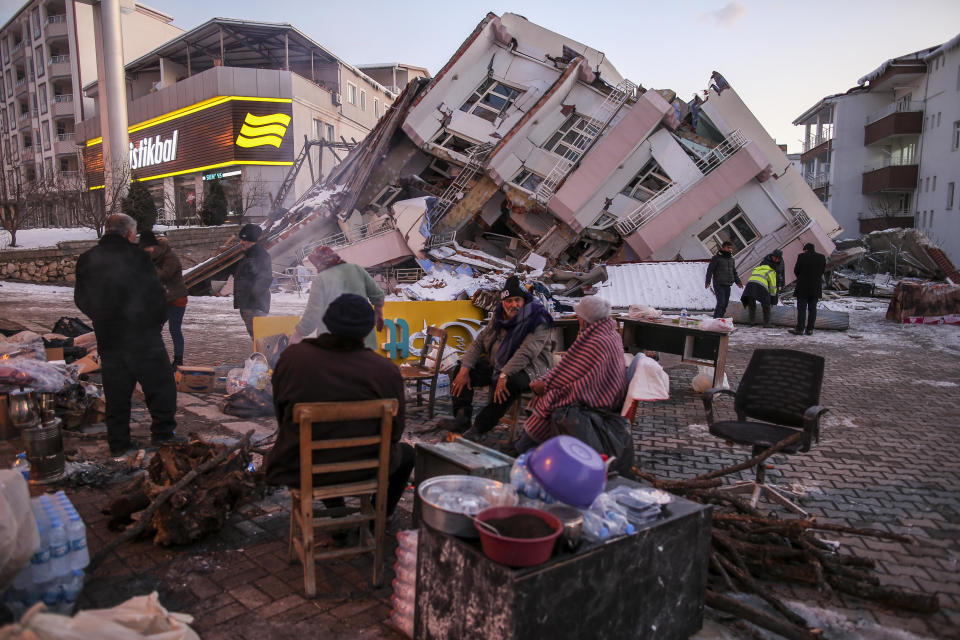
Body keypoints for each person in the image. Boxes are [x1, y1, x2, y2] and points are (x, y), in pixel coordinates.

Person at [265, 294, 414, 518]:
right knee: (408, 455)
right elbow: (395, 431)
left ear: (327, 323)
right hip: (367, 467)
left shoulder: (293, 358)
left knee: (314, 446)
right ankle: (376, 520)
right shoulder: (386, 371)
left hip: (302, 467)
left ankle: (337, 513)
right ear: (369, 329)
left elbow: (282, 417)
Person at [74, 213, 182, 457]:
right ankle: (163, 435)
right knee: (160, 387)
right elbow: (156, 295)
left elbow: (81, 298)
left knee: (116, 392)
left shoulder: (87, 259)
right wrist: (155, 322)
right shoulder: (138, 258)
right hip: (143, 336)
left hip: (109, 337)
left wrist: (100, 317)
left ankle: (119, 443)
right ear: (129, 234)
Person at [443, 275, 553, 441]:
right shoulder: (499, 315)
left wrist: (504, 374)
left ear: (524, 300)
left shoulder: (538, 319)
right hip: (499, 362)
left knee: (510, 383)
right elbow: (480, 341)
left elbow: (527, 352)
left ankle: (480, 427)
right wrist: (465, 368)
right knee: (462, 369)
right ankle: (462, 419)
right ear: (503, 302)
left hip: (531, 368)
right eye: (508, 301)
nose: (513, 305)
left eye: (517, 300)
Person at [519, 296, 627, 453]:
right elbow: (572, 369)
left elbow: (573, 376)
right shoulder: (610, 334)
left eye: (579, 317)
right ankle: (527, 444)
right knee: (547, 391)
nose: (578, 319)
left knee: (550, 398)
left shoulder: (596, 341)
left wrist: (546, 385)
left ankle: (526, 447)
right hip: (605, 392)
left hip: (598, 398)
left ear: (586, 319)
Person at [289, 246, 385, 350]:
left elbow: (313, 313)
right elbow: (378, 295)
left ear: (319, 262)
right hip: (364, 343)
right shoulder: (356, 269)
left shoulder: (321, 279)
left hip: (335, 347)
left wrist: (298, 333)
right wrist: (379, 314)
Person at [140, 230, 187, 368]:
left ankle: (178, 360)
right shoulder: (152, 257)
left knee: (174, 329)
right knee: (154, 328)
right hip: (162, 298)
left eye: (147, 248)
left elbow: (164, 276)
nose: (145, 251)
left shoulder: (170, 257)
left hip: (177, 298)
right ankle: (152, 357)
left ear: (154, 246)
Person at [233, 223, 272, 338]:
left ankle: (268, 356)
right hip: (249, 305)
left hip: (254, 306)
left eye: (244, 240)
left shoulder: (259, 255)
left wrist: (252, 296)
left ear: (251, 240)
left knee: (260, 338)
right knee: (257, 338)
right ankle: (263, 355)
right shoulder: (250, 255)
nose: (241, 242)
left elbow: (265, 278)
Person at [791, 243, 827, 336]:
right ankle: (810, 329)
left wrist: (802, 277)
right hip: (815, 287)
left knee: (802, 309)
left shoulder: (802, 256)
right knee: (812, 309)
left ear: (806, 249)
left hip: (803, 287)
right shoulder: (822, 257)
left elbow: (796, 271)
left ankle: (800, 329)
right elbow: (822, 271)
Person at [740, 254, 780, 327]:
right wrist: (772, 298)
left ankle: (751, 321)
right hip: (761, 286)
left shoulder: (758, 269)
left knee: (751, 304)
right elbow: (773, 287)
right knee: (766, 304)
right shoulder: (771, 271)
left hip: (749, 286)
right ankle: (767, 323)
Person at [705, 241, 742, 318]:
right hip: (718, 284)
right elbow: (710, 270)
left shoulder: (731, 259)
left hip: (728, 285)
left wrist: (738, 282)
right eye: (728, 248)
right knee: (721, 302)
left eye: (731, 248)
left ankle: (720, 318)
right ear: (723, 247)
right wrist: (707, 281)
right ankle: (716, 319)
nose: (730, 249)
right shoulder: (716, 258)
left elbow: (734, 272)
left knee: (725, 304)